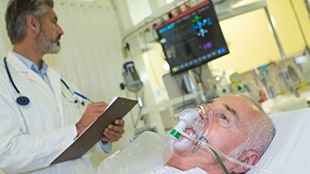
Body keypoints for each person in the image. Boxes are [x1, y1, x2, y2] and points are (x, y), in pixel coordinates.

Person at [0, 0, 125, 173]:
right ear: (33, 24)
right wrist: (77, 129)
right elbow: (7, 154)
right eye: (54, 21)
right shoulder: (3, 82)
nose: (61, 31)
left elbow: (80, 139)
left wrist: (102, 135)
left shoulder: (61, 81)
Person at [97, 95, 275, 174]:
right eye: (208, 106)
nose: (201, 114)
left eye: (223, 117)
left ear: (244, 161)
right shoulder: (152, 151)